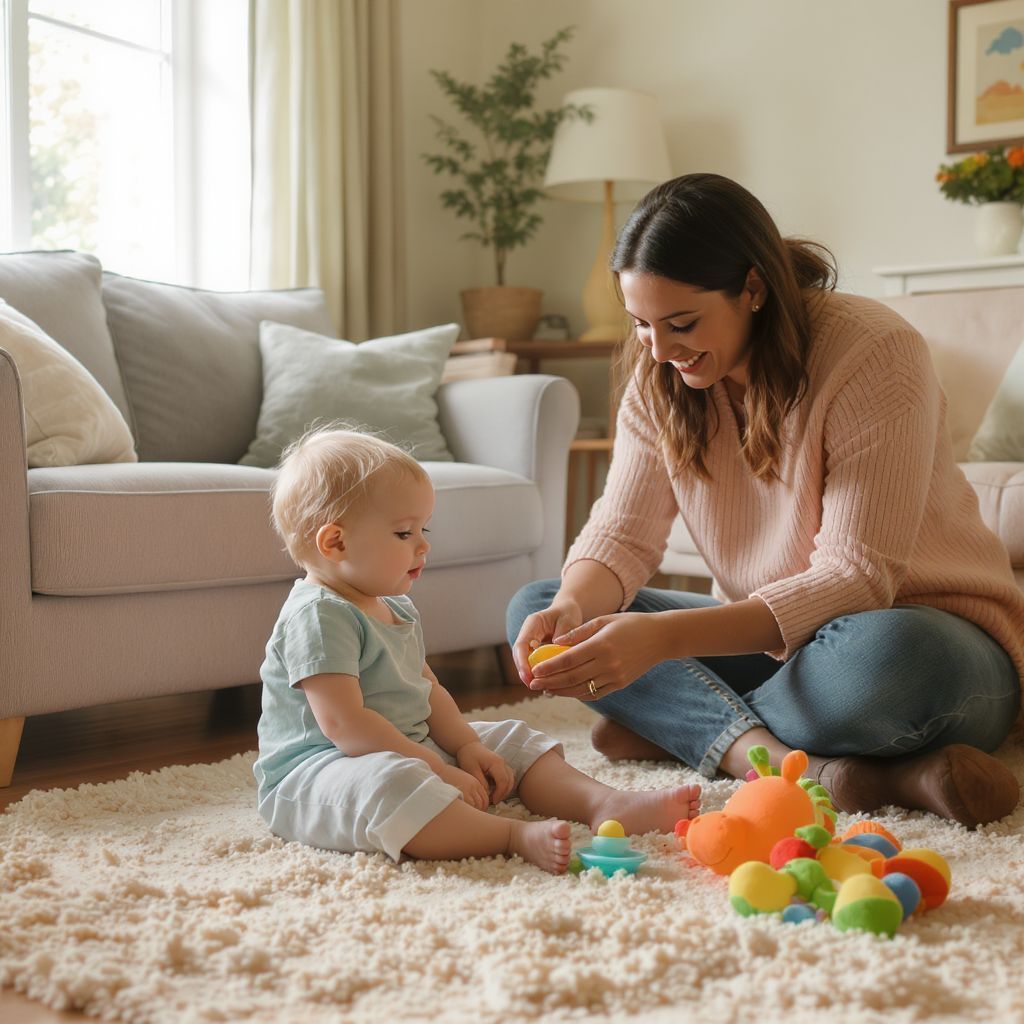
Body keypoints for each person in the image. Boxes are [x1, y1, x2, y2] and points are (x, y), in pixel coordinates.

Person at [508, 173, 1024, 830]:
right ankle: (825, 768)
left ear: (753, 288)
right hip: (779, 642)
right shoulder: (659, 376)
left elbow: (858, 579)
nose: (662, 352)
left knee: (886, 664)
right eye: (641, 325)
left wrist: (662, 643)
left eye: (682, 322)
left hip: (925, 636)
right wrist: (571, 607)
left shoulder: (874, 349)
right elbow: (622, 536)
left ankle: (686, 727)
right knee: (538, 606)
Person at [253, 426, 701, 874]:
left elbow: (426, 689)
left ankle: (606, 803)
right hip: (320, 770)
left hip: (404, 745)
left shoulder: (394, 608)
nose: (424, 544)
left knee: (510, 739)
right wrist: (435, 767)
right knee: (393, 783)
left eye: (422, 529)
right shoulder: (317, 615)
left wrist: (466, 747)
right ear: (336, 542)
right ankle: (510, 836)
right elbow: (346, 726)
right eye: (404, 533)